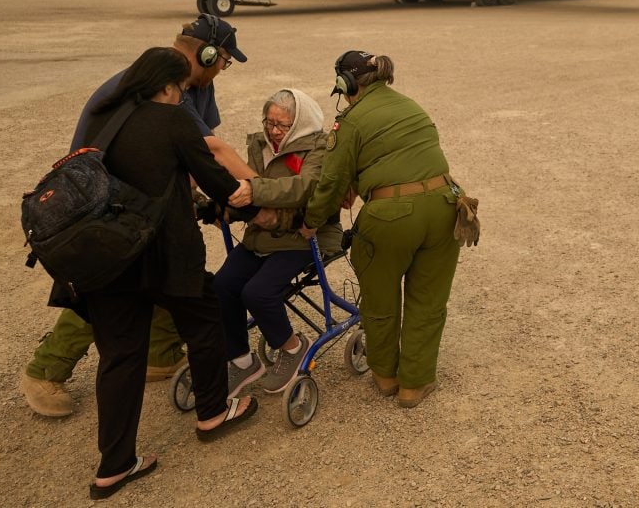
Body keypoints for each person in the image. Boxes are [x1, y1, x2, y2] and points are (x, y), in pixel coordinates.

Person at [20, 13, 257, 417]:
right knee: (113, 290)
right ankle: (46, 371)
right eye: (224, 60)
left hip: (149, 201)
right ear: (208, 53)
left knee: (173, 272)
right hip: (106, 205)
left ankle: (161, 354)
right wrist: (267, 192)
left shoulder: (196, 85)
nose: (224, 68)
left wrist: (195, 200)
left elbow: (192, 151)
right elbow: (214, 151)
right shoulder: (151, 82)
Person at [77, 47, 258, 500]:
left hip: (107, 257)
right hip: (163, 255)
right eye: (179, 88)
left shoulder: (103, 118)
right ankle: (214, 413)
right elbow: (215, 180)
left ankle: (114, 467)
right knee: (205, 317)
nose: (181, 96)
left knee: (120, 357)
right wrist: (250, 196)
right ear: (165, 85)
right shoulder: (172, 119)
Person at [298, 51, 460, 408]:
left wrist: (310, 222)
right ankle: (414, 386)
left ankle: (386, 377)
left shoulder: (350, 122)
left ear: (346, 84)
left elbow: (331, 181)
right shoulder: (411, 106)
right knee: (428, 301)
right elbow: (402, 155)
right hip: (447, 206)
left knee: (381, 298)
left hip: (392, 216)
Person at [213, 89, 343, 397]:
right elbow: (245, 191)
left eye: (282, 125)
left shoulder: (319, 147)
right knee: (220, 287)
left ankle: (294, 346)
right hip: (261, 236)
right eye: (269, 122)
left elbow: (303, 188)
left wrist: (253, 191)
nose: (273, 130)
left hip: (302, 237)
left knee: (257, 293)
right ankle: (243, 361)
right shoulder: (259, 144)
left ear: (300, 122)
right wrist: (227, 206)